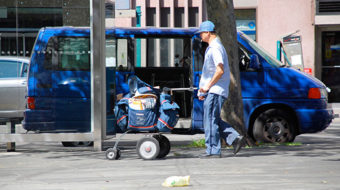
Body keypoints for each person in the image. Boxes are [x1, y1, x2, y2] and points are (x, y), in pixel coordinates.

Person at [196, 20, 245, 158]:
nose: (200, 35)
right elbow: (210, 72)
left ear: (207, 33)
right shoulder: (214, 47)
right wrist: (202, 90)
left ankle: (213, 150)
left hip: (215, 90)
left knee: (210, 120)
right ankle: (235, 138)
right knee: (213, 118)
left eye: (201, 33)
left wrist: (207, 87)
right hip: (213, 90)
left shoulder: (215, 48)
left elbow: (220, 70)